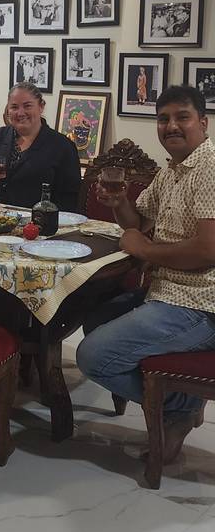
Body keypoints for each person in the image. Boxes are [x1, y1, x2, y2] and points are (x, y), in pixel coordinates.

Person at [77, 85, 215, 463]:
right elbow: (137, 221)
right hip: (165, 291)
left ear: (202, 123)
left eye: (181, 117)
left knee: (93, 356)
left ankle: (179, 407)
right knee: (94, 321)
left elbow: (208, 249)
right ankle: (181, 398)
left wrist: (144, 248)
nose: (171, 125)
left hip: (200, 303)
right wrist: (120, 203)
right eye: (163, 118)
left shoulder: (210, 167)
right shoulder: (173, 169)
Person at [0, 81, 81, 210]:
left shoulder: (63, 146)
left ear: (41, 106)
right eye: (14, 107)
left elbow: (69, 201)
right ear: (8, 110)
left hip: (37, 224)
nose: (20, 113)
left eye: (27, 106)